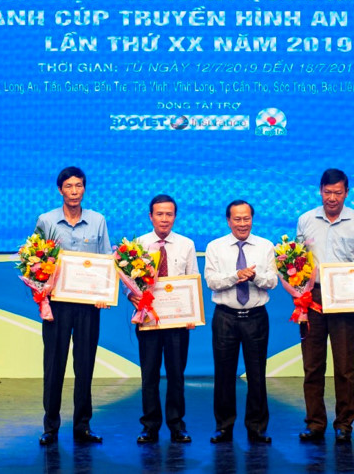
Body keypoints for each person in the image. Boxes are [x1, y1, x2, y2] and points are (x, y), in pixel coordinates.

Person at [35, 166, 111, 446]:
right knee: (54, 365)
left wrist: (105, 293)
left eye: (79, 185)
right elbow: (36, 258)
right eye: (69, 186)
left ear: (85, 188)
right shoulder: (47, 220)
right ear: (60, 190)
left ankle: (82, 426)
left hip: (88, 305)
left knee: (85, 365)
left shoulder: (97, 220)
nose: (75, 191)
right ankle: (50, 427)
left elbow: (106, 260)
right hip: (57, 305)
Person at [296, 168, 354, 443]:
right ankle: (315, 422)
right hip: (312, 300)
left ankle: (344, 424)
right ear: (320, 190)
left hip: (345, 298)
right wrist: (300, 297)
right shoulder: (306, 220)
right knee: (312, 366)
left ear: (347, 192)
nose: (332, 198)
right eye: (327, 192)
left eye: (337, 193)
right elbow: (297, 264)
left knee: (344, 366)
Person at [204, 200, 278, 444]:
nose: (242, 223)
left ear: (252, 219)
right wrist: (236, 276)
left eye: (246, 218)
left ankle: (257, 428)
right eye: (237, 219)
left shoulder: (266, 246)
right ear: (228, 221)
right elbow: (212, 281)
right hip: (225, 316)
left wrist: (254, 275)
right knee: (224, 375)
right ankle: (223, 427)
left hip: (256, 317)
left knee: (257, 375)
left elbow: (272, 281)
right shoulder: (215, 247)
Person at [126, 194, 198, 444]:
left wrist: (193, 313)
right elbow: (130, 282)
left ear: (175, 216)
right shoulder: (138, 245)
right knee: (149, 374)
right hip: (148, 320)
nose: (164, 219)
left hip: (178, 322)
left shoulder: (187, 244)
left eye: (169, 214)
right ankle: (150, 426)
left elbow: (193, 281)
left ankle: (177, 425)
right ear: (151, 216)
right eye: (159, 214)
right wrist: (131, 296)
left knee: (177, 374)